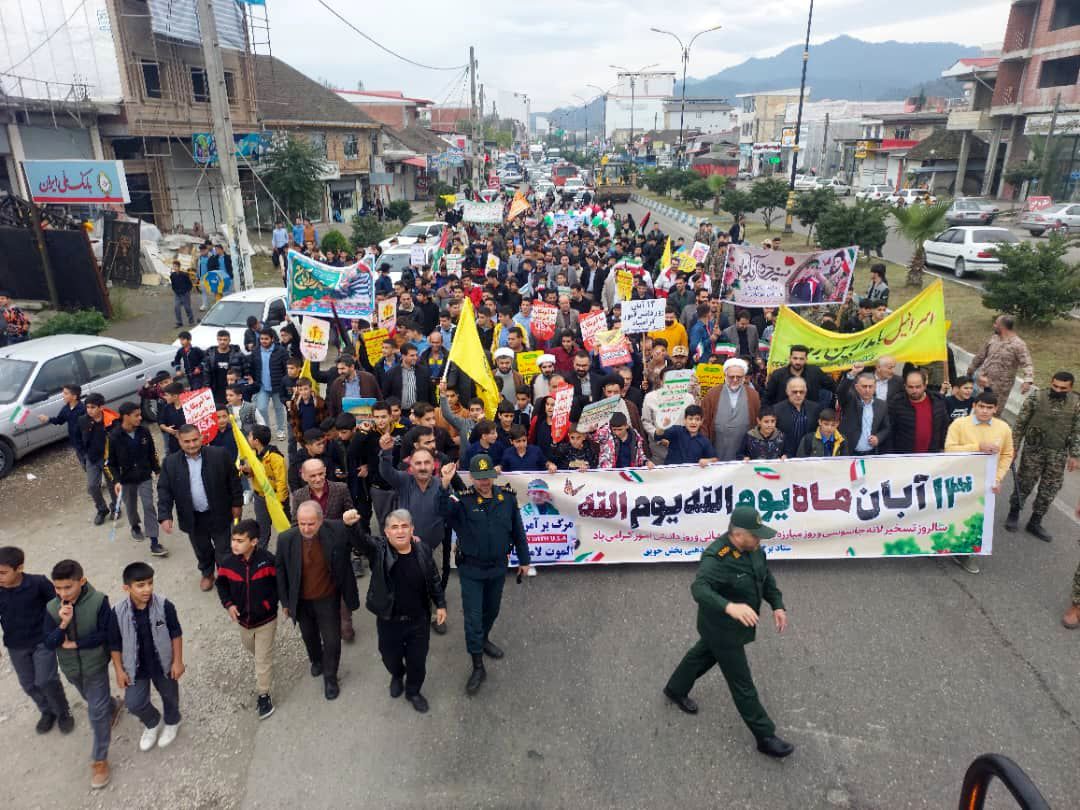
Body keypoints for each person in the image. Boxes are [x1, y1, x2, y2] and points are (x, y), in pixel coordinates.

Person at [662, 505, 793, 759]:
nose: (759, 539)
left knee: (703, 654)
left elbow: (764, 577)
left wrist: (777, 604)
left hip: (729, 628)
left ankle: (675, 689)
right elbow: (699, 588)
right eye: (755, 535)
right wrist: (729, 607)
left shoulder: (753, 548)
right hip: (722, 628)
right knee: (742, 683)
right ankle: (764, 736)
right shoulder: (717, 557)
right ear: (737, 534)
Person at [437, 455, 531, 695]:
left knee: (492, 610)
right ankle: (477, 665)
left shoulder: (507, 499)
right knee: (473, 618)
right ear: (471, 478)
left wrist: (525, 559)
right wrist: (444, 485)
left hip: (498, 567)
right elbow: (442, 512)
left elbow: (518, 531)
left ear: (493, 474)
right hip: (471, 570)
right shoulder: (463, 501)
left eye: (487, 476)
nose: (484, 482)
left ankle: (484, 638)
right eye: (478, 478)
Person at [346, 508, 447, 714]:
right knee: (389, 657)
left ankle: (413, 692)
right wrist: (351, 526)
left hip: (419, 620)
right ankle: (397, 674)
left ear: (412, 530)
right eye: (394, 527)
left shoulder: (423, 550)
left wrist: (441, 604)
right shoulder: (379, 550)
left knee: (417, 662)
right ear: (386, 532)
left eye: (404, 526)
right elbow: (361, 542)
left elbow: (434, 578)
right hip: (389, 620)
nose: (400, 531)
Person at [43, 559, 119, 789]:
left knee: (95, 713)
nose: (62, 593)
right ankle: (113, 706)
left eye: (68, 587)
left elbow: (106, 634)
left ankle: (99, 760)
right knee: (94, 701)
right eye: (58, 588)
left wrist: (76, 644)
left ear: (82, 581)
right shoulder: (51, 608)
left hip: (95, 665)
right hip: (71, 669)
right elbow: (49, 643)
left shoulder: (98, 601)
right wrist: (63, 624)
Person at [276, 501, 361, 700]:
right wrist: (286, 603)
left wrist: (352, 526)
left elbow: (360, 545)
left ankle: (330, 678)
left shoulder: (338, 530)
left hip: (328, 598)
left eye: (311, 524)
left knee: (332, 640)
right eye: (302, 523)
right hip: (302, 600)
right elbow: (280, 571)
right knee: (309, 636)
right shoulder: (286, 539)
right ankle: (316, 660)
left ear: (321, 521)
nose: (306, 528)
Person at [108, 562, 184, 753]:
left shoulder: (165, 605)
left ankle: (172, 721)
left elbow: (176, 633)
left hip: (162, 665)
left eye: (150, 583)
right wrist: (118, 670)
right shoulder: (117, 612)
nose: (147, 589)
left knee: (170, 696)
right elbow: (114, 643)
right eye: (140, 585)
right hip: (136, 668)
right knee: (134, 703)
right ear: (127, 588)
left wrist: (177, 661)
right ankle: (152, 722)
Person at [157, 424, 244, 591]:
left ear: (202, 437)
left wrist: (237, 503)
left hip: (219, 512)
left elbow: (233, 481)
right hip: (192, 517)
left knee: (224, 549)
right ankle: (207, 573)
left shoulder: (219, 455)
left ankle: (226, 577)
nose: (191, 445)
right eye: (186, 441)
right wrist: (165, 515)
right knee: (202, 549)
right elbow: (164, 490)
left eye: (195, 440)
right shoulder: (170, 463)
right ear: (179, 441)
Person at [378, 435, 453, 626]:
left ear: (433, 465)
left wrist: (445, 486)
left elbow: (446, 512)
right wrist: (386, 453)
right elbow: (386, 472)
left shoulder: (441, 483)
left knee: (433, 580)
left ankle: (437, 614)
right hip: (406, 545)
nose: (422, 467)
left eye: (426, 462)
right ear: (410, 466)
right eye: (417, 463)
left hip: (433, 546)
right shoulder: (404, 481)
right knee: (407, 583)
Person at [0, 546, 73, 735]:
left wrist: (63, 629)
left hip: (42, 640)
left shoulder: (38, 583)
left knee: (46, 679)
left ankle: (63, 712)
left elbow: (59, 603)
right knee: (28, 684)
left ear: (20, 568)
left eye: (3, 572)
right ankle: (47, 711)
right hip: (16, 645)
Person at [944, 391, 1015, 574]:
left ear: (996, 409)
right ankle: (944, 545)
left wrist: (997, 478)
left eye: (989, 408)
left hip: (985, 484)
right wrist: (977, 447)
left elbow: (1007, 455)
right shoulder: (959, 424)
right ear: (974, 406)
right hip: (960, 480)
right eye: (981, 406)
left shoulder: (1003, 428)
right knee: (955, 516)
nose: (984, 411)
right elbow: (949, 450)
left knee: (975, 521)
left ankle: (964, 555)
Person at [216, 519, 279, 720]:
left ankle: (264, 695)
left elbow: (278, 585)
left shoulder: (268, 560)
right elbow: (222, 585)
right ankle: (265, 660)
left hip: (266, 620)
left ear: (253, 542)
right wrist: (229, 605)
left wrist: (271, 604)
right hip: (244, 622)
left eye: (240, 540)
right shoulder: (227, 563)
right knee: (251, 647)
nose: (234, 544)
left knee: (261, 660)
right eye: (233, 539)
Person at [1006, 371, 1080, 542]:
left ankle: (1035, 521)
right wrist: (1014, 447)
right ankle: (1014, 513)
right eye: (1055, 386)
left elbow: (1077, 430)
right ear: (1051, 383)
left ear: (1070, 388)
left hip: (1058, 454)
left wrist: (1075, 455)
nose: (1058, 390)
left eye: (1063, 388)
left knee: (1050, 489)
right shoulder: (1037, 398)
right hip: (1033, 451)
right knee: (1024, 482)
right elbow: (1020, 424)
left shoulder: (1076, 404)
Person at [107, 401, 167, 557]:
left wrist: (157, 470)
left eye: (140, 414)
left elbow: (152, 453)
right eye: (136, 415)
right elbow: (111, 463)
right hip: (126, 480)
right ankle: (135, 526)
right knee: (131, 506)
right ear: (125, 417)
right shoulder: (114, 437)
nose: (140, 418)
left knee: (149, 506)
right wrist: (117, 481)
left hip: (144, 475)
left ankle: (154, 541)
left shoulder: (144, 432)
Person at [966, 315, 1035, 414]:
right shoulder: (993, 339)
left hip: (1000, 389)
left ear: (1002, 326)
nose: (994, 326)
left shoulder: (1018, 344)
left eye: (996, 324)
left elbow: (1027, 364)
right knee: (977, 411)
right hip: (982, 383)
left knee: (993, 414)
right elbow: (980, 356)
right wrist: (970, 371)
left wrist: (1027, 381)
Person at [701, 358, 761, 461]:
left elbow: (757, 423)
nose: (735, 380)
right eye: (731, 377)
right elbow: (704, 423)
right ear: (725, 376)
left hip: (743, 451)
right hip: (717, 447)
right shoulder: (712, 394)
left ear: (744, 377)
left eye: (739, 377)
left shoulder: (753, 395)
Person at [242, 425, 289, 550]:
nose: (248, 438)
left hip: (275, 497)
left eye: (250, 436)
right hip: (260, 498)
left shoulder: (275, 456)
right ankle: (261, 557)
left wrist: (279, 502)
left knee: (285, 529)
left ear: (256, 441)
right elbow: (253, 474)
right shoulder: (252, 454)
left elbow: (281, 481)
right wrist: (247, 471)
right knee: (262, 530)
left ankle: (289, 553)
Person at [886, 369, 948, 454]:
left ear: (925, 386)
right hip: (905, 457)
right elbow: (889, 431)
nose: (914, 391)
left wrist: (943, 447)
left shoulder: (937, 401)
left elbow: (944, 427)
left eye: (918, 387)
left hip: (932, 455)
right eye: (910, 387)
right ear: (905, 386)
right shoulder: (896, 403)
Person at [837, 371, 890, 456]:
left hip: (871, 454)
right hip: (849, 453)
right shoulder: (850, 400)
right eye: (864, 386)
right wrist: (851, 374)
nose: (867, 390)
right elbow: (841, 392)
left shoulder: (882, 405)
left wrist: (878, 438)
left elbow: (886, 427)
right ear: (857, 387)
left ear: (875, 387)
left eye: (870, 386)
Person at [763, 345, 834, 408]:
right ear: (790, 358)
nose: (798, 362)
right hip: (783, 417)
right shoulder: (778, 374)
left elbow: (834, 387)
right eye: (795, 358)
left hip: (810, 417)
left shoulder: (815, 372)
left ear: (806, 359)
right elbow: (767, 398)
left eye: (801, 359)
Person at [249, 329, 289, 441]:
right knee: (261, 408)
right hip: (262, 386)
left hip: (277, 386)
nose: (264, 341)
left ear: (272, 339)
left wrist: (286, 384)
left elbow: (286, 369)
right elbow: (252, 367)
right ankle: (266, 431)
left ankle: (280, 430)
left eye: (266, 339)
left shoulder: (281, 351)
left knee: (279, 408)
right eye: (261, 339)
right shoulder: (256, 351)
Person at [773, 378, 821, 459]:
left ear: (805, 392)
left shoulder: (815, 408)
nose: (798, 395)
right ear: (787, 392)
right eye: (794, 392)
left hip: (809, 455)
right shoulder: (777, 409)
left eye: (801, 392)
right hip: (785, 457)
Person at [169, 259, 195, 327]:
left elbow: (190, 284)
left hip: (185, 293)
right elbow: (173, 284)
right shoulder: (172, 275)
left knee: (187, 308)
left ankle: (191, 321)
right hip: (177, 294)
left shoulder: (184, 275)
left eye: (176, 266)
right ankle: (179, 322)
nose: (174, 268)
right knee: (176, 307)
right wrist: (175, 290)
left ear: (179, 267)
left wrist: (187, 291)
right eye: (173, 266)